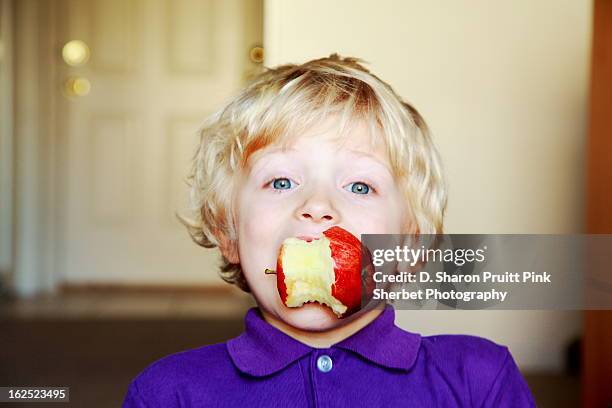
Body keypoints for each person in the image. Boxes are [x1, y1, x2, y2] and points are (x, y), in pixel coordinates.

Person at [121, 54, 536, 407]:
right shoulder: (169, 394)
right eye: (281, 182)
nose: (318, 207)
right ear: (229, 233)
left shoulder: (478, 382)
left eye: (360, 186)